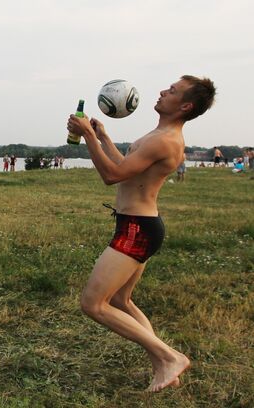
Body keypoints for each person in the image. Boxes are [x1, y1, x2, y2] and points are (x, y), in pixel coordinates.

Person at [67, 75, 216, 392]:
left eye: (172, 91)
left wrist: (86, 136)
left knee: (93, 304)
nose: (163, 91)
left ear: (185, 105)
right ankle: (164, 366)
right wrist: (103, 137)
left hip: (137, 229)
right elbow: (128, 174)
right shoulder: (162, 135)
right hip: (139, 226)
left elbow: (111, 175)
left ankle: (169, 357)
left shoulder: (165, 140)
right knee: (121, 299)